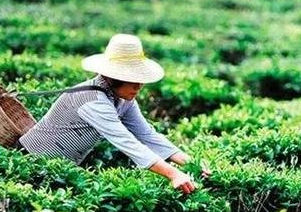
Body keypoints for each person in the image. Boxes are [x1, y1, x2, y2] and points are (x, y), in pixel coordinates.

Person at [18, 33, 209, 195]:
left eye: (140, 79)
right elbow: (126, 141)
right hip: (29, 162)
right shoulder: (93, 100)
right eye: (132, 79)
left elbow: (147, 135)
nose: (139, 86)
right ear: (114, 77)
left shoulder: (123, 99)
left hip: (59, 168)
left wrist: (191, 164)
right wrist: (172, 174)